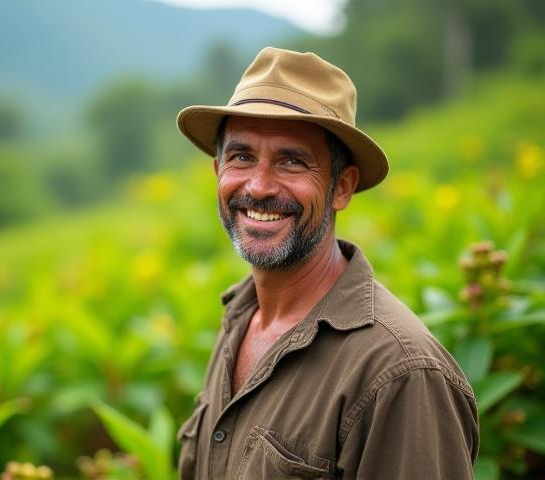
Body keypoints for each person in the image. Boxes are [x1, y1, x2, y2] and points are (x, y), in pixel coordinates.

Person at [175, 47, 479, 480]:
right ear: (217, 171)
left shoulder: (400, 373)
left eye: (292, 161)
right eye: (241, 156)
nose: (258, 187)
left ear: (343, 187)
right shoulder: (240, 320)